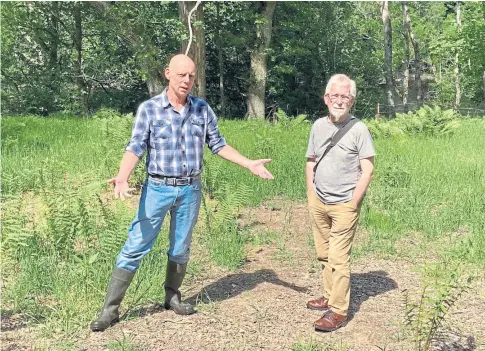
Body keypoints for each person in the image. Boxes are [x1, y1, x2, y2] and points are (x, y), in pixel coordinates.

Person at [90, 54, 274, 332]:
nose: (187, 80)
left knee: (180, 247)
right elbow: (136, 145)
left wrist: (248, 163)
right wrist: (123, 177)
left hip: (190, 189)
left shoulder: (202, 109)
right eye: (181, 75)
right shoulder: (150, 109)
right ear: (168, 74)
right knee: (136, 246)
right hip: (158, 188)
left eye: (191, 75)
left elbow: (218, 144)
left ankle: (172, 297)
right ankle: (110, 310)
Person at [305, 74, 375, 332]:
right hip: (319, 201)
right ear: (326, 98)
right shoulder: (317, 127)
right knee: (324, 254)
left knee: (338, 257)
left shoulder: (359, 129)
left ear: (352, 100)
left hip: (345, 204)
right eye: (334, 95)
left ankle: (338, 311)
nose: (339, 100)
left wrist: (353, 202)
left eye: (344, 96)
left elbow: (367, 169)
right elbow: (311, 160)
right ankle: (328, 295)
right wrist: (311, 192)